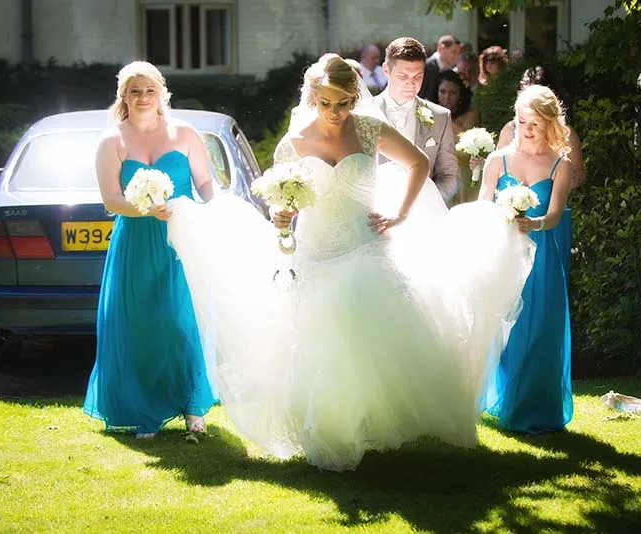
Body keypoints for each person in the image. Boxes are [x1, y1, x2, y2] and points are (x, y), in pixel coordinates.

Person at [164, 53, 535, 471]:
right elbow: (280, 203)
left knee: (371, 338)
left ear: (354, 98)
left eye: (342, 103)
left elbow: (417, 162)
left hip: (365, 244)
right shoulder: (294, 144)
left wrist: (400, 213)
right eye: (326, 103)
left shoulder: (369, 128)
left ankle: (369, 425)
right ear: (313, 98)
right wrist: (282, 216)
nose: (336, 112)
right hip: (315, 250)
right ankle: (326, 429)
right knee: (317, 342)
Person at [83, 61, 217, 438]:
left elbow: (205, 182)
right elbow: (110, 199)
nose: (143, 98)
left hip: (182, 240)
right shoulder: (112, 140)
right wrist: (144, 207)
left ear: (162, 93)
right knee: (139, 322)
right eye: (135, 91)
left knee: (181, 322)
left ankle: (193, 407)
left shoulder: (185, 132)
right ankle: (144, 408)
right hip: (136, 242)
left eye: (149, 90)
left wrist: (211, 212)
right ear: (124, 97)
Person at [478, 84, 574, 434]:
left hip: (544, 252)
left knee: (542, 326)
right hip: (503, 252)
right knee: (507, 327)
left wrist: (534, 223)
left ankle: (537, 406)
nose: (527, 129)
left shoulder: (560, 164)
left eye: (534, 123)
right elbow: (483, 204)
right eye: (521, 121)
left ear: (549, 124)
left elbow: (556, 213)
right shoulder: (497, 159)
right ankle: (505, 399)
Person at [494, 66, 585, 276]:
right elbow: (499, 175)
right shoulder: (509, 130)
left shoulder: (567, 134)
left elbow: (579, 173)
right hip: (510, 223)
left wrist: (559, 186)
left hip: (550, 218)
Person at [375, 37, 460, 204]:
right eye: (403, 76)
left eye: (418, 76)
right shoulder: (364, 112)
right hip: (374, 212)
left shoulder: (440, 116)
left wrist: (429, 201)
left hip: (424, 212)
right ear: (386, 69)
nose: (411, 83)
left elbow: (449, 174)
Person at [436, 69, 481, 206]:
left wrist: (443, 114)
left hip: (464, 179)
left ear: (461, 95)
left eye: (453, 93)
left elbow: (463, 136)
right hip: (440, 176)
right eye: (442, 92)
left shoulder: (472, 114)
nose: (446, 97)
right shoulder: (431, 114)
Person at [419, 34, 462, 103]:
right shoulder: (427, 68)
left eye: (458, 53)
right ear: (442, 48)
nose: (457, 56)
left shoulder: (450, 69)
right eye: (454, 52)